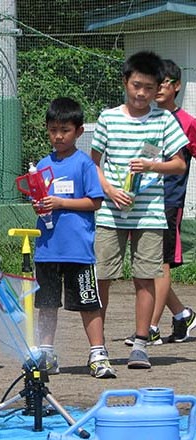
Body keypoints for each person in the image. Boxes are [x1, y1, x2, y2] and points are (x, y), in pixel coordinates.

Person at [91, 51, 188, 369]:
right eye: (136, 85)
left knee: (145, 277)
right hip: (110, 213)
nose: (142, 93)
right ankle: (98, 348)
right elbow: (92, 164)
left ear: (159, 87)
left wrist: (151, 165)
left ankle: (141, 343)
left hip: (149, 214)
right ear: (125, 82)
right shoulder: (108, 118)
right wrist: (108, 190)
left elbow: (179, 164)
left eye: (148, 87)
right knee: (101, 276)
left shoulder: (164, 120)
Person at [31, 97, 115, 379]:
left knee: (89, 304)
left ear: (79, 131)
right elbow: (40, 199)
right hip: (47, 249)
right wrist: (41, 204)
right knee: (46, 303)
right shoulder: (42, 164)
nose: (58, 136)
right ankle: (46, 353)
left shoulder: (84, 165)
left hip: (78, 250)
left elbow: (95, 202)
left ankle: (98, 354)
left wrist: (61, 203)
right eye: (53, 129)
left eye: (64, 130)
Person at [125, 59, 196, 346]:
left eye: (162, 82)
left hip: (169, 202)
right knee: (147, 265)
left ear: (175, 86)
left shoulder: (187, 123)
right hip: (144, 202)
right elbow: (148, 158)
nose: (156, 89)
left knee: (160, 264)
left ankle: (150, 327)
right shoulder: (151, 121)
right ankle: (181, 314)